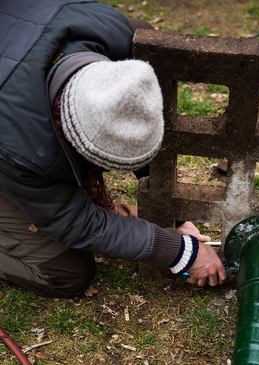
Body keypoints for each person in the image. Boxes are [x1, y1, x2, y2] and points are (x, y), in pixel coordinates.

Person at [0, 0, 225, 298]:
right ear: (66, 136)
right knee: (66, 272)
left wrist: (174, 217)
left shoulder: (120, 34)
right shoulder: (22, 147)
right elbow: (72, 222)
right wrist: (180, 252)